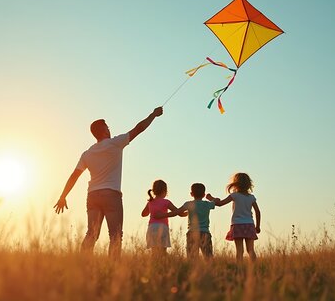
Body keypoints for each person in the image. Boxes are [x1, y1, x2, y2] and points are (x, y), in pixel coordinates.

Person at [54, 106, 163, 258]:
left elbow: (74, 176)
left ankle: (81, 264)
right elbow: (139, 128)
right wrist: (153, 115)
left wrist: (62, 196)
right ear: (105, 131)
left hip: (92, 196)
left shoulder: (87, 153)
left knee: (91, 234)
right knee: (116, 236)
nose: (109, 129)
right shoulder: (115, 143)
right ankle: (113, 269)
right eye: (108, 127)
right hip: (111, 195)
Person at [206, 172, 261, 262]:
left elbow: (220, 204)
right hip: (249, 224)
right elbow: (257, 212)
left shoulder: (234, 195)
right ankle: (253, 268)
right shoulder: (251, 197)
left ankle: (239, 269)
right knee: (250, 250)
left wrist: (210, 198)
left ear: (235, 184)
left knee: (239, 251)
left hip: (238, 224)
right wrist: (258, 226)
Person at [157, 183, 215, 259]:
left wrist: (163, 215)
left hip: (192, 233)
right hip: (205, 233)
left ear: (191, 194)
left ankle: (193, 271)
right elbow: (217, 201)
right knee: (208, 257)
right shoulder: (207, 204)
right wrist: (210, 198)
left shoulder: (189, 204)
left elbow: (176, 212)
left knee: (192, 258)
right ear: (204, 194)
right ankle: (209, 270)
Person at [141, 179, 186, 256]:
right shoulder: (166, 202)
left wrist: (152, 210)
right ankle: (163, 266)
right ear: (165, 191)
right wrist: (188, 212)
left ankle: (154, 267)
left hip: (152, 228)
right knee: (162, 252)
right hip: (162, 228)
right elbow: (179, 212)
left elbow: (143, 214)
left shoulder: (150, 202)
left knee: (154, 252)